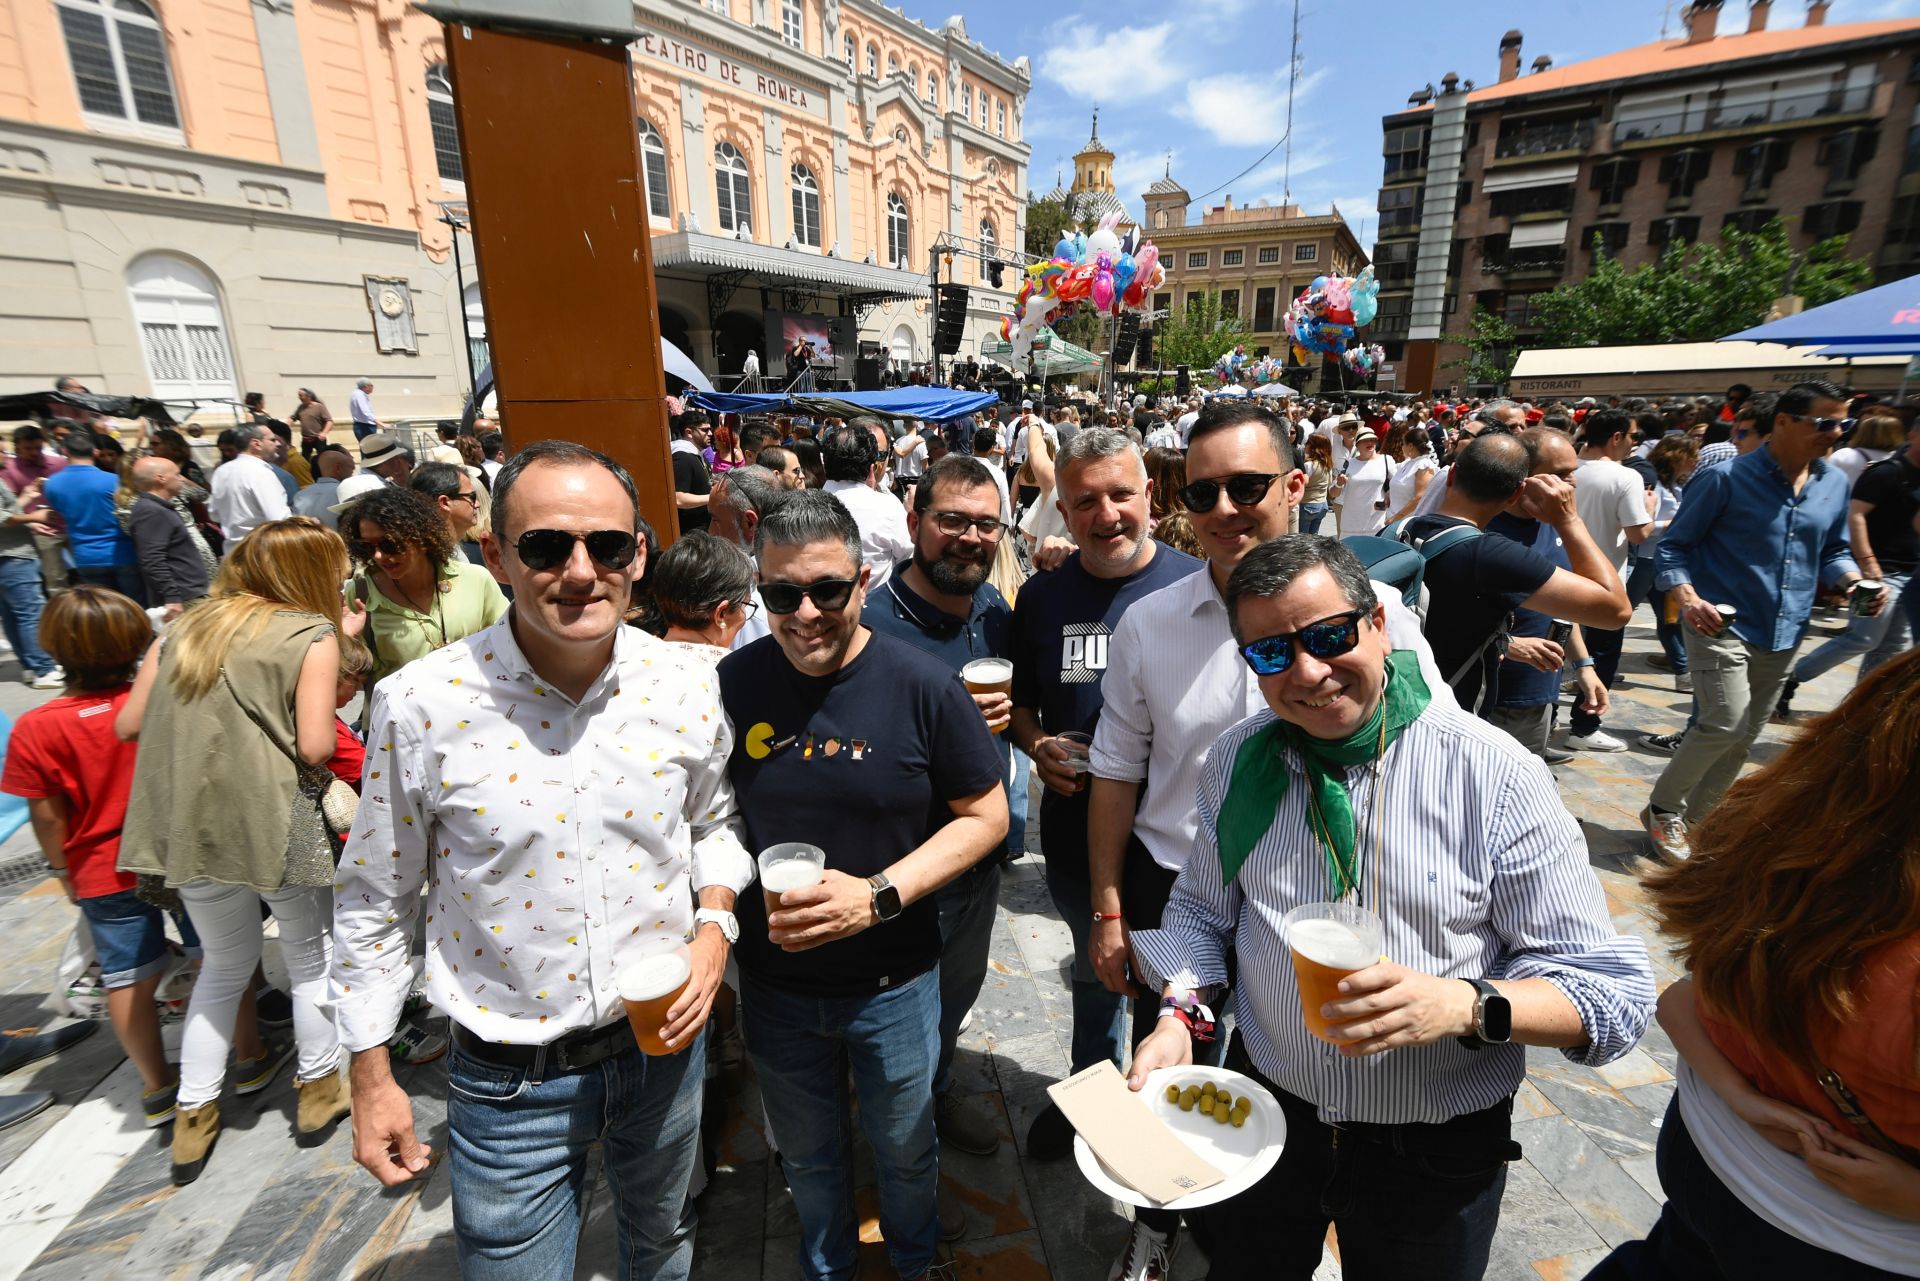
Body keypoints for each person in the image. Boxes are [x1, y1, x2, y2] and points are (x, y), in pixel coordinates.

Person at [1125, 535, 1656, 1280]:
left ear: (1378, 623)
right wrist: (1179, 1015)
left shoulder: (1492, 773)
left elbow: (1611, 994)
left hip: (1432, 1153)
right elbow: (1199, 918)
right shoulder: (1240, 761)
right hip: (1271, 1118)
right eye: (1273, 653)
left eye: (1329, 636)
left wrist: (1465, 1005)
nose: (1308, 671)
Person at [336, 439, 749, 1279]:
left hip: (662, 1050)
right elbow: (377, 896)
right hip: (505, 1080)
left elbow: (717, 821)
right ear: (495, 553)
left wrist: (713, 928)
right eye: (545, 545)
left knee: (663, 1242)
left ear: (639, 552)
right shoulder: (421, 703)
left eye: (606, 544)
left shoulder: (686, 682)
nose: (579, 570)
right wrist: (371, 1072)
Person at [1084, 400, 1452, 1281]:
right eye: (1202, 490)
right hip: (1189, 893)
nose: (1223, 508)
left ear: (1295, 485)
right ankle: (1156, 1222)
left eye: (1246, 485)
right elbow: (1115, 771)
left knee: (1301, 1084)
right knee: (1166, 1077)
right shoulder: (1148, 622)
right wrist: (1108, 906)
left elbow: (1433, 756)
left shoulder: (1380, 612)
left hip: (1328, 892)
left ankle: (1292, 1226)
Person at [718, 490, 1008, 1281]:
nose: (806, 612)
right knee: (809, 1161)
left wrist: (876, 894)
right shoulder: (731, 685)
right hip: (776, 989)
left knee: (907, 1152)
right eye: (782, 594)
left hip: (896, 981)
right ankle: (829, 1270)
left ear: (864, 579)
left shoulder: (922, 684)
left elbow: (986, 817)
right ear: (758, 590)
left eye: (828, 591)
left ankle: (915, 1264)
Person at [1590, 650, 1920, 1280]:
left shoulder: (1784, 849)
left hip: (1709, 1158)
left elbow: (1681, 1002)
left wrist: (1742, 1097)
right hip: (1850, 1241)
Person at [117, 518, 364, 1184]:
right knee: (311, 956)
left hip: (188, 824)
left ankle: (194, 1113)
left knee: (223, 966)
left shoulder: (181, 630)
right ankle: (317, 1091)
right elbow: (316, 746)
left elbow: (128, 722)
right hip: (273, 816)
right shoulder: (309, 635)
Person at [1007, 427, 1202, 1159]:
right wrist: (1036, 746)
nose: (1107, 513)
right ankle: (1091, 1095)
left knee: (1178, 991)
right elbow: (1025, 703)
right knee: (1098, 974)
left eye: (1122, 493)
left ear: (1150, 493)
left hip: (1178, 843)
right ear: (1062, 507)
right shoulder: (1043, 595)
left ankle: (1170, 1121)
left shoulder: (1198, 584)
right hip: (1075, 834)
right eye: (1085, 500)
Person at [861, 454, 1017, 1161]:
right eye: (952, 519)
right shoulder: (871, 627)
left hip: (979, 865)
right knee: (896, 1021)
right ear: (914, 520)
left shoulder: (992, 609)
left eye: (986, 523)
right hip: (905, 867)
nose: (970, 536)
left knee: (954, 1002)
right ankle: (895, 1150)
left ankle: (937, 1090)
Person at [1644, 381, 1873, 860]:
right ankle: (1664, 810)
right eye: (1824, 422)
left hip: (1786, 628)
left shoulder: (1832, 482)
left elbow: (1831, 548)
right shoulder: (1725, 478)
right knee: (1724, 723)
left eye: (1844, 423)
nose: (1835, 432)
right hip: (1717, 623)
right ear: (1785, 421)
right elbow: (1673, 546)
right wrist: (1686, 597)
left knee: (1746, 735)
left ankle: (1700, 821)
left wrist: (1852, 581)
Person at [2, 587, 196, 1126]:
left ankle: (157, 1084)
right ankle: (243, 1044)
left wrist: (62, 869)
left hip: (99, 869)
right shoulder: (155, 702)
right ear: (137, 639)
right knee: (217, 952)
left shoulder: (38, 726)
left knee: (127, 975)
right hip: (177, 853)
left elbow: (46, 815)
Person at [1401, 433, 1631, 715]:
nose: (1571, 484)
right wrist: (1570, 520)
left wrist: (1583, 663)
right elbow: (1616, 610)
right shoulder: (1490, 550)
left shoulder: (1405, 529)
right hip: (1473, 701)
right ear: (1517, 489)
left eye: (1574, 472)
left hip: (1528, 690)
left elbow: (1563, 602)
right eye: (1559, 475)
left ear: (1452, 476)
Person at [1775, 414, 1920, 717]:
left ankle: (1863, 710)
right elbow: (1855, 515)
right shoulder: (1888, 473)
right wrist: (1867, 561)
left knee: (1893, 646)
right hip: (1878, 573)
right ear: (1914, 436)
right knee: (1863, 637)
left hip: (1911, 573)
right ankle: (1790, 680)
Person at [339, 486, 508, 688]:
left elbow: (509, 643)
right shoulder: (360, 594)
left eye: (389, 544)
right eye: (367, 547)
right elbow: (351, 682)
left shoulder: (476, 579)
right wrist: (346, 640)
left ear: (422, 536)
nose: (378, 556)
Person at [1562, 409, 1653, 752]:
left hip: (1556, 575)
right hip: (1603, 583)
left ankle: (1542, 725)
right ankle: (1584, 727)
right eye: (1632, 438)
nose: (1633, 445)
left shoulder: (1564, 467)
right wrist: (1651, 509)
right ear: (1616, 437)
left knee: (1553, 650)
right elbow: (1638, 533)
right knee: (1601, 654)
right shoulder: (1624, 477)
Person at [1631, 437, 1699, 690]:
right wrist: (1670, 526)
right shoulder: (1653, 485)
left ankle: (1682, 672)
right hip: (1645, 560)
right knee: (1619, 615)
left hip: (1663, 562)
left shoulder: (1675, 485)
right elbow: (1643, 525)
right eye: (1691, 456)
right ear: (1675, 456)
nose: (1696, 461)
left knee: (1669, 619)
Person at [43, 430, 143, 602]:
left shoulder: (52, 484)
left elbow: (59, 513)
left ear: (64, 451)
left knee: (102, 611)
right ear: (95, 452)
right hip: (123, 553)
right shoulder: (113, 480)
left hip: (86, 557)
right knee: (136, 607)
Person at [821, 423, 913, 591]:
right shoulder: (888, 507)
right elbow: (909, 560)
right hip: (873, 610)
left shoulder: (806, 505)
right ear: (872, 469)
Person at [648, 530, 759, 652]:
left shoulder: (632, 659)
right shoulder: (730, 669)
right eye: (744, 605)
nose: (745, 616)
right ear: (721, 614)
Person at [128, 457, 211, 620]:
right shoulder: (151, 511)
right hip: (185, 598)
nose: (181, 479)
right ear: (160, 478)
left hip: (190, 593)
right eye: (177, 474)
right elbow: (152, 559)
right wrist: (172, 597)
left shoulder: (158, 507)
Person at [5, 424, 69, 591]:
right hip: (43, 532)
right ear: (17, 446)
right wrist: (31, 522)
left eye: (38, 448)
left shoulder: (59, 463)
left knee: (87, 572)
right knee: (56, 580)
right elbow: (9, 506)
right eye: (28, 448)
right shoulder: (10, 470)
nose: (34, 452)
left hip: (71, 525)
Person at [207, 423, 292, 544]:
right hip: (259, 552)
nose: (278, 444)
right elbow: (279, 519)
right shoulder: (261, 472)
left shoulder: (221, 471)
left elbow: (214, 514)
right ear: (256, 444)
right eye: (272, 440)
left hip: (233, 552)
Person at [407, 460, 484, 561]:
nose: (477, 504)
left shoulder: (451, 552)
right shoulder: (428, 562)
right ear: (444, 503)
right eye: (472, 496)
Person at [1333, 426, 1390, 537]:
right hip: (1351, 523)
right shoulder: (1349, 463)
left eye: (1373, 440)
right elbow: (1333, 493)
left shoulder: (1386, 460)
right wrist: (1339, 484)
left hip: (1376, 523)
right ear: (1357, 444)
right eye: (1365, 440)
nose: (1370, 443)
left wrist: (1389, 495)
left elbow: (1396, 485)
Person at [1383, 426, 1438, 524]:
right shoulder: (1407, 463)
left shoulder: (1424, 465)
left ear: (1410, 446)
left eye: (1403, 444)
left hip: (1406, 523)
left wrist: (1395, 518)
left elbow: (1420, 497)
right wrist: (1389, 494)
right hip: (1392, 517)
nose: (1402, 447)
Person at [670, 411, 714, 534]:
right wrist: (713, 497)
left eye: (710, 429)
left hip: (704, 530)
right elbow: (677, 499)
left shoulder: (699, 455)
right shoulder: (682, 457)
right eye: (705, 430)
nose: (710, 434)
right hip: (691, 533)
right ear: (689, 432)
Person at [293, 447, 356, 529]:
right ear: (338, 468)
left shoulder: (299, 495)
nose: (352, 471)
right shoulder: (346, 493)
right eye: (349, 467)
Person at [1299, 434, 1334, 534]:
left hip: (1308, 504)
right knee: (1314, 538)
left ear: (1314, 447)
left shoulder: (1309, 465)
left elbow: (1302, 484)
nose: (1305, 444)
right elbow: (1329, 482)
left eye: (1308, 442)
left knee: (1303, 540)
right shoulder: (1328, 464)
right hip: (1322, 504)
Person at [291, 388, 334, 461]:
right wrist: (286, 424)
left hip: (318, 438)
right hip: (306, 439)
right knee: (305, 459)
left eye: (301, 395)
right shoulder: (301, 407)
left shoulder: (319, 407)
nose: (299, 398)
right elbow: (293, 417)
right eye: (299, 395)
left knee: (322, 458)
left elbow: (329, 421)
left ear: (308, 396)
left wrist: (324, 433)